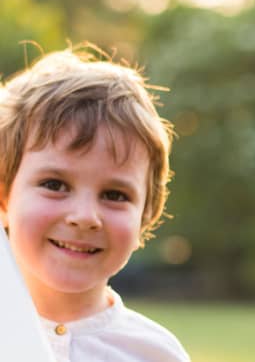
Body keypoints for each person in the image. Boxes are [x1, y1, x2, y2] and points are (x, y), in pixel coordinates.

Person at [0, 48, 189, 362]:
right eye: (55, 185)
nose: (85, 217)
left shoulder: (156, 354)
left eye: (114, 195)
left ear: (146, 215)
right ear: (4, 195)